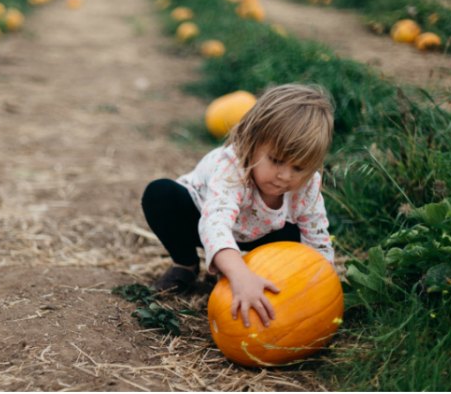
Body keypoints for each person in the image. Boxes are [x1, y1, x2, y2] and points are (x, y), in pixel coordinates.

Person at [141, 83, 335, 329]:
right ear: (252, 143)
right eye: (276, 161)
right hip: (200, 219)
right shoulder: (232, 168)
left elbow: (318, 242)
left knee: (296, 238)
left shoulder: (308, 185)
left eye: (298, 168)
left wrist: (322, 289)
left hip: (259, 231)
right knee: (160, 194)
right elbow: (215, 224)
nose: (285, 176)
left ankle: (254, 271)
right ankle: (185, 264)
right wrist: (240, 276)